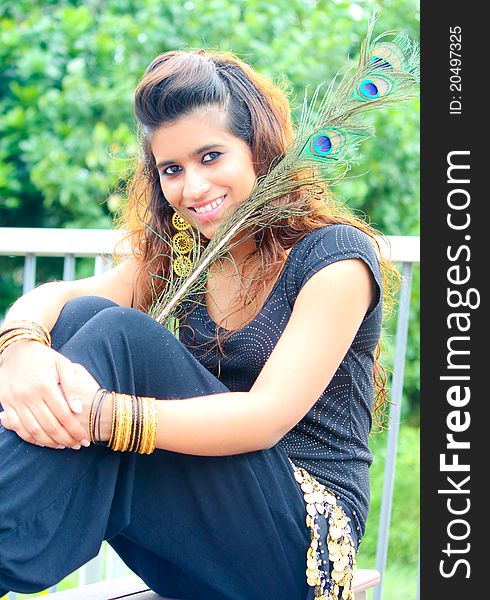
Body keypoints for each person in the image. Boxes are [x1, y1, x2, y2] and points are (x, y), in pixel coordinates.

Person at [0, 48, 399, 600]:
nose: (192, 188)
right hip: (196, 548)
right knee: (83, 318)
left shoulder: (334, 260)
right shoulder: (184, 253)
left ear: (258, 150)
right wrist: (18, 349)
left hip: (297, 550)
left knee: (123, 337)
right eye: (172, 169)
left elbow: (264, 418)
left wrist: (97, 415)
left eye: (210, 156)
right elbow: (59, 296)